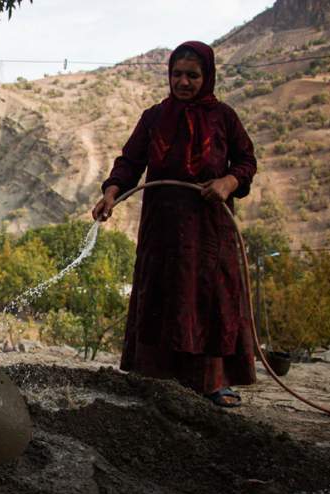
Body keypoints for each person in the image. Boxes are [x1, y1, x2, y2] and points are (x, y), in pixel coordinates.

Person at [91, 41, 257, 408]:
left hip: (209, 230)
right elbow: (129, 161)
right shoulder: (154, 117)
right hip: (162, 229)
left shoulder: (224, 118)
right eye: (177, 74)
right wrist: (112, 193)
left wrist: (228, 183)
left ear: (207, 76)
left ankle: (213, 383)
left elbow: (246, 162)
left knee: (209, 297)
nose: (183, 82)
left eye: (192, 76)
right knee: (162, 295)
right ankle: (155, 380)